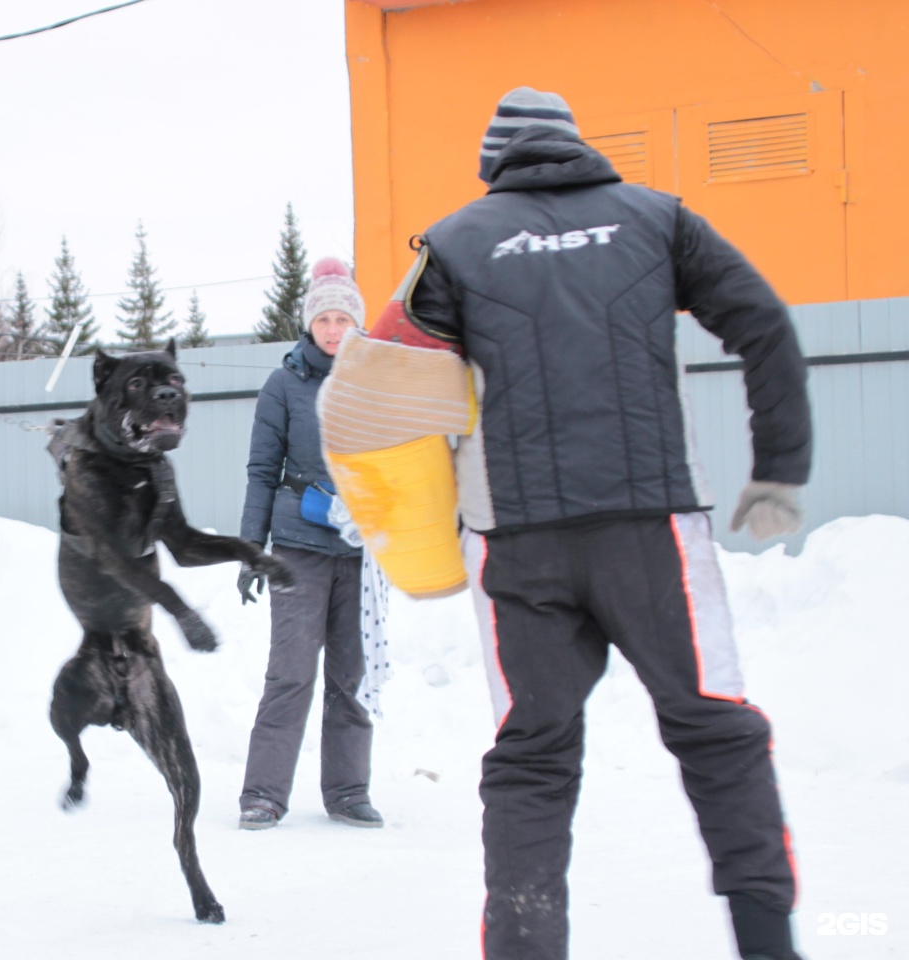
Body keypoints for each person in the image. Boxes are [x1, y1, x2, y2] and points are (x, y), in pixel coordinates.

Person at [396, 88, 812, 959]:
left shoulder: (454, 244)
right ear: (574, 148)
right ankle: (770, 946)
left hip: (518, 547)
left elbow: (373, 391)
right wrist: (778, 467)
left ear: (493, 163)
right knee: (715, 728)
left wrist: (414, 533)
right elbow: (764, 323)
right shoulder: (658, 220)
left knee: (534, 758)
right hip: (652, 530)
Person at [236, 257, 385, 831]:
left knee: (352, 677)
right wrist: (253, 549)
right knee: (291, 673)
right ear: (309, 323)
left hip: (361, 549)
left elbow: (400, 463)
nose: (332, 328)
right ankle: (264, 794)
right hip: (297, 547)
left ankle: (348, 790)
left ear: (355, 323)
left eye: (342, 318)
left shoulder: (375, 378)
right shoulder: (283, 385)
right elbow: (260, 471)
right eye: (323, 318)